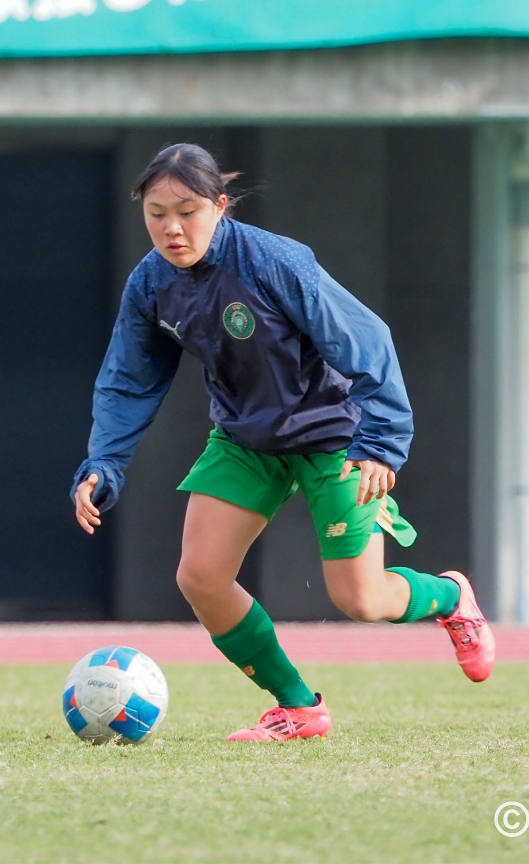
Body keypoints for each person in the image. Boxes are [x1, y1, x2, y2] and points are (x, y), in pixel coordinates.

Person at [72, 143, 495, 742]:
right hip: (245, 441)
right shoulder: (150, 284)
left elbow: (367, 341)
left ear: (220, 206)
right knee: (200, 577)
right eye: (156, 212)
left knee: (361, 600)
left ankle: (450, 597)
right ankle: (298, 707)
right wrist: (104, 463)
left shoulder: (275, 262)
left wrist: (381, 442)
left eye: (187, 211)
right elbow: (127, 379)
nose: (171, 228)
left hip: (335, 439)